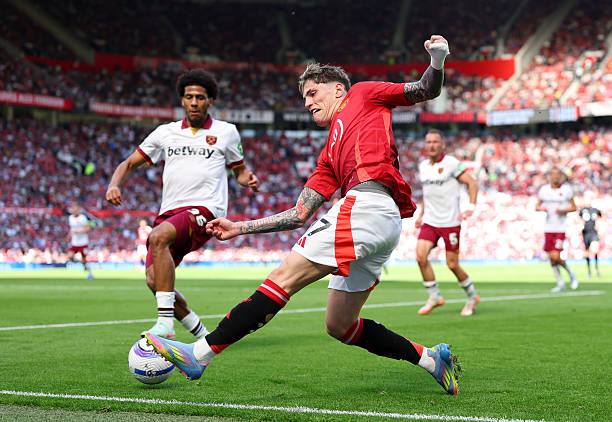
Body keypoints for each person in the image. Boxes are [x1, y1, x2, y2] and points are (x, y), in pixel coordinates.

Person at [146, 35, 461, 395]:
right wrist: (240, 227)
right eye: (304, 98)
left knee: (283, 278)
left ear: (338, 89)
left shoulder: (362, 93)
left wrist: (437, 59)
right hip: (381, 220)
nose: (308, 102)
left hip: (366, 206)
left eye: (313, 93)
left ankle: (198, 354)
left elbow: (425, 89)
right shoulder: (329, 156)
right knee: (340, 325)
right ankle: (432, 360)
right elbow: (299, 214)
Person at [106, 69, 260, 340]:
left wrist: (248, 180)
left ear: (210, 101)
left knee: (158, 236)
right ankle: (203, 336)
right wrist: (114, 184)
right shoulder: (165, 133)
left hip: (206, 209)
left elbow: (239, 170)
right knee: (155, 281)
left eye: (200, 97)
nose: (194, 102)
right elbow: (129, 163)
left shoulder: (226, 132)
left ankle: (165, 324)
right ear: (182, 100)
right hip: (169, 211)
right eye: (189, 97)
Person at [414, 129, 479, 316]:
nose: (432, 145)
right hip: (430, 221)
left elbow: (472, 183)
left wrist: (471, 207)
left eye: (435, 142)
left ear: (442, 145)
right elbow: (428, 193)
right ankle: (434, 297)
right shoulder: (423, 166)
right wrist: (421, 214)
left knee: (452, 264)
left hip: (450, 222)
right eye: (428, 142)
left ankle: (472, 296)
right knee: (420, 257)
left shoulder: (451, 163)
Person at [535, 167, 578, 291]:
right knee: (552, 259)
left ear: (560, 176)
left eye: (557, 175)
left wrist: (563, 210)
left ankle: (571, 275)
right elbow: (537, 206)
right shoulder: (544, 190)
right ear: (550, 176)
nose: (555, 177)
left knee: (555, 256)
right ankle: (560, 283)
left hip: (560, 228)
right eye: (553, 175)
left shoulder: (566, 190)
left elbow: (574, 207)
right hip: (548, 228)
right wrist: (541, 208)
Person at [65, 203, 94, 280]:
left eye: (76, 210)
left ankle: (90, 274)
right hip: (75, 242)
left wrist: (78, 232)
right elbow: (72, 229)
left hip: (83, 242)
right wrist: (69, 236)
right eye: (73, 210)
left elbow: (88, 228)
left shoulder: (82, 218)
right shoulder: (70, 218)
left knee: (84, 259)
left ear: (78, 210)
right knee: (69, 256)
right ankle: (81, 262)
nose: (74, 211)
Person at [578, 192, 602, 277]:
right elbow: (578, 219)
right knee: (587, 251)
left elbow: (600, 217)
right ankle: (589, 270)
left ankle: (596, 267)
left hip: (593, 232)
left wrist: (599, 225)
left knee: (595, 249)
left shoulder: (595, 210)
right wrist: (580, 226)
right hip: (586, 233)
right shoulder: (582, 210)